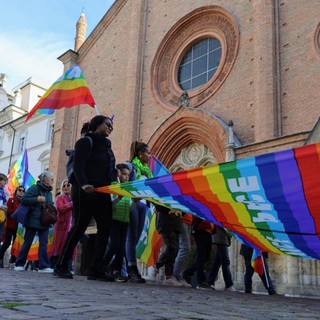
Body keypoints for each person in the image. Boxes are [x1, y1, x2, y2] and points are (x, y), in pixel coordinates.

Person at [54, 115, 116, 280]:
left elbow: (109, 170)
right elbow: (78, 165)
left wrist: (115, 182)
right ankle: (60, 265)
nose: (111, 127)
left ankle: (96, 269)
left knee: (105, 228)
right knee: (79, 226)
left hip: (102, 191)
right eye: (108, 124)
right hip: (85, 190)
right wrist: (83, 184)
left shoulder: (107, 148)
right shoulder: (85, 142)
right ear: (97, 125)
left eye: (112, 126)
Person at [14, 171, 55, 273]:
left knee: (44, 244)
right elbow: (23, 199)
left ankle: (43, 266)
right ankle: (19, 264)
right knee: (27, 242)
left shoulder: (49, 193)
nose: (52, 181)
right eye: (51, 179)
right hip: (32, 220)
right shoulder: (34, 188)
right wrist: (36, 199)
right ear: (45, 179)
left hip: (44, 221)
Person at [125, 141, 152, 283]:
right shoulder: (131, 166)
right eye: (148, 153)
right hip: (133, 204)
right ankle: (131, 269)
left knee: (136, 238)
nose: (150, 156)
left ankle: (127, 267)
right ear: (140, 154)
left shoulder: (147, 170)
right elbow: (123, 180)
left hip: (143, 205)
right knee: (131, 236)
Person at [104, 163, 134, 282]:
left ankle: (116, 271)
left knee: (121, 248)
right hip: (114, 220)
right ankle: (103, 266)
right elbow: (109, 206)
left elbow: (129, 208)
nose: (127, 177)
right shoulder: (114, 186)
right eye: (124, 174)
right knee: (114, 245)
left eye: (128, 175)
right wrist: (118, 198)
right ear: (119, 174)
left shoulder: (127, 189)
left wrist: (135, 203)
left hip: (125, 221)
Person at [153, 205, 183, 286]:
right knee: (171, 246)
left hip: (176, 224)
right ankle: (156, 266)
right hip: (165, 223)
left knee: (175, 250)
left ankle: (168, 276)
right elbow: (158, 205)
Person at [183, 216, 214, 289]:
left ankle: (187, 272)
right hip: (201, 230)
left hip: (208, 231)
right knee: (201, 256)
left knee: (205, 257)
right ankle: (201, 281)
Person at [50, 179, 74, 272]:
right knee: (59, 245)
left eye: (68, 185)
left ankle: (68, 267)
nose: (66, 187)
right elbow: (60, 208)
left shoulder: (74, 198)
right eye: (64, 186)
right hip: (61, 226)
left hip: (72, 225)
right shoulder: (60, 197)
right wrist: (71, 204)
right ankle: (54, 266)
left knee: (70, 246)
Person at [0, 185, 24, 268]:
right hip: (10, 225)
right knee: (6, 243)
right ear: (16, 191)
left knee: (16, 245)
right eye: (20, 190)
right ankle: (0, 258)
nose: (21, 192)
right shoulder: (11, 200)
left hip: (19, 227)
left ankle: (13, 261)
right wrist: (17, 211)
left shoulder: (24, 202)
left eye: (23, 191)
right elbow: (8, 211)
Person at [208, 225, 236, 291]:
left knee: (217, 262)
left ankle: (210, 281)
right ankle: (228, 284)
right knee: (225, 261)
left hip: (222, 236)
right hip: (220, 236)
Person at [173, 212, 193, 287]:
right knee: (185, 247)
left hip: (188, 219)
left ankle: (178, 275)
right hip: (182, 218)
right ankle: (175, 274)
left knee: (183, 248)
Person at [0, 173, 8, 243]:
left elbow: (3, 201)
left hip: (2, 216)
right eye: (5, 180)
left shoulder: (3, 190)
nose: (6, 182)